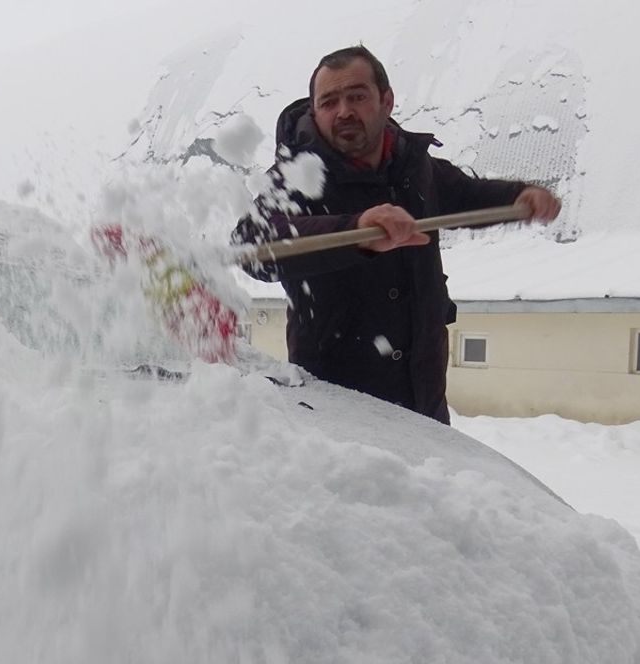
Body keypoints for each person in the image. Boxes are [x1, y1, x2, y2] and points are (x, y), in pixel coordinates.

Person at [233, 45, 560, 424]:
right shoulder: (295, 180)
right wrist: (352, 231)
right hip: (334, 409)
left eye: (357, 96)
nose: (344, 112)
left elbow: (468, 196)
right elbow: (250, 244)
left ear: (386, 100)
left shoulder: (414, 166)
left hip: (424, 398)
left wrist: (519, 195)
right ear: (314, 111)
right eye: (329, 102)